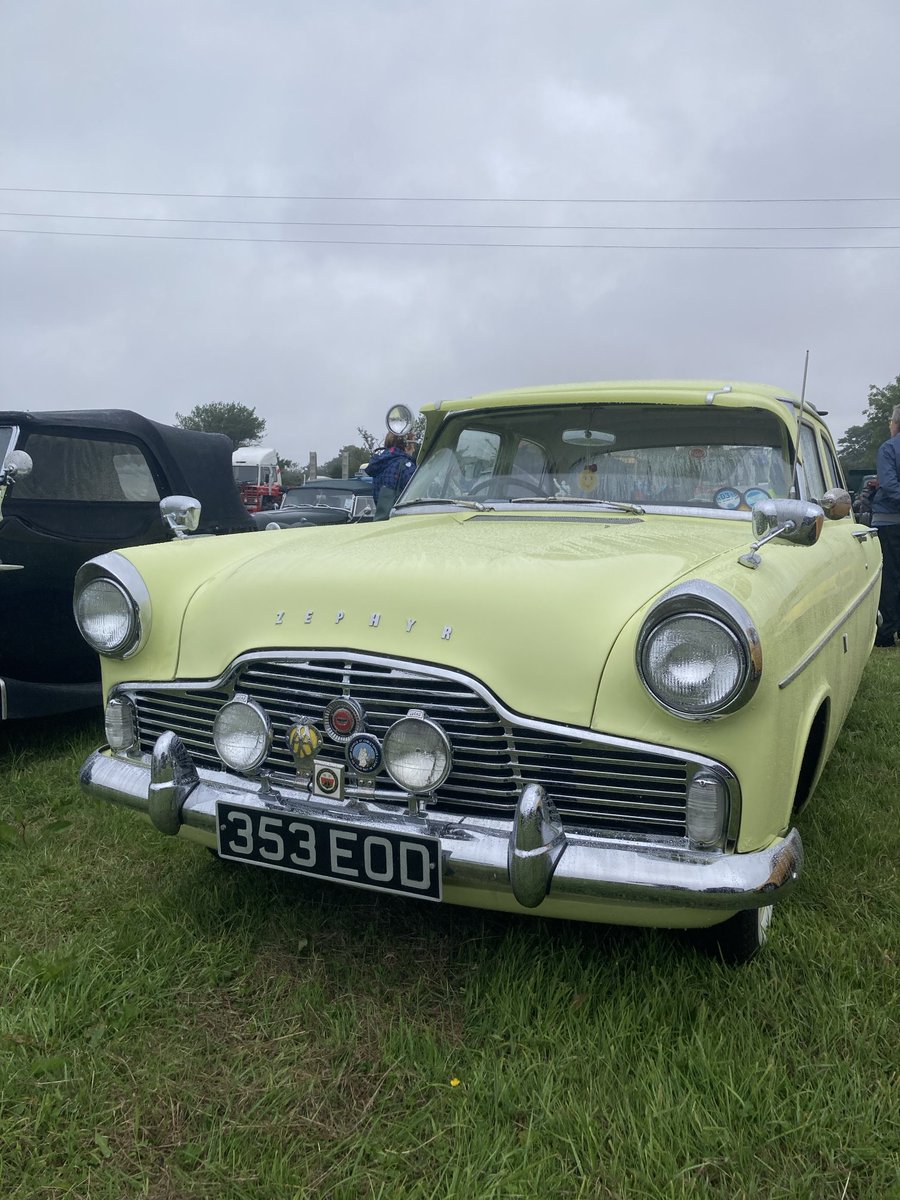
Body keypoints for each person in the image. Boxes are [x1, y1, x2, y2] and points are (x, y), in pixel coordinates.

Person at [872, 405, 900, 647]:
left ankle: (886, 633)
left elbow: (890, 487)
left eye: (891, 422)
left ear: (896, 424)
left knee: (890, 578)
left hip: (890, 522)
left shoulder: (889, 448)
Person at [365, 432, 417, 521]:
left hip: (381, 519)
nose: (414, 449)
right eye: (412, 444)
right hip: (401, 521)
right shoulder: (406, 466)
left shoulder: (379, 464)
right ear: (406, 445)